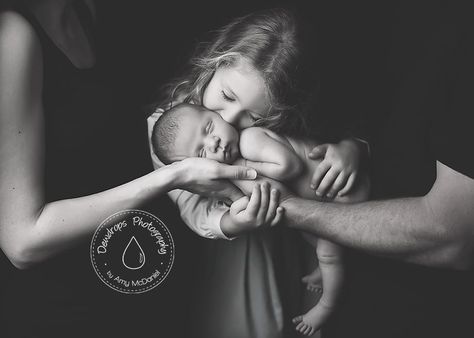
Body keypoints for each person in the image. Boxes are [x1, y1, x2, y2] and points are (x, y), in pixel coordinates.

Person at [0, 1, 264, 337]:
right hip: (64, 310)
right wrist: (174, 176)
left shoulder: (88, 11)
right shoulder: (13, 36)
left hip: (137, 288)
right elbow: (22, 243)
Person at [147, 9, 369, 335]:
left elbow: (319, 141)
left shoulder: (273, 125)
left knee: (305, 309)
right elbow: (190, 206)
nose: (232, 119)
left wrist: (353, 147)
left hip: (305, 237)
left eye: (254, 115)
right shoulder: (164, 128)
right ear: (214, 64)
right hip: (237, 251)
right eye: (226, 96)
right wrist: (232, 221)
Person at [261, 2, 474, 337]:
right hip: (352, 285)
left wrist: (290, 209)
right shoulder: (355, 24)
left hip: (424, 311)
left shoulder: (459, 37)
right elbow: (383, 119)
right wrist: (357, 144)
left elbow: (454, 236)